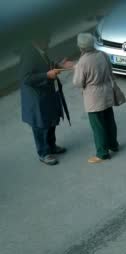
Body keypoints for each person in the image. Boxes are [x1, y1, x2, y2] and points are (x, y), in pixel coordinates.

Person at [20, 34, 74, 165]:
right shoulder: (29, 54)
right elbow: (26, 78)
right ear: (36, 40)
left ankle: (51, 146)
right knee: (40, 125)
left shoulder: (40, 50)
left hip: (48, 94)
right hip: (37, 98)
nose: (49, 42)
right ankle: (44, 153)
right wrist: (46, 75)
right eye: (46, 39)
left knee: (51, 120)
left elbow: (47, 64)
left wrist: (59, 65)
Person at [72, 33, 120, 164]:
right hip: (107, 91)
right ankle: (113, 145)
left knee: (98, 126)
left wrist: (76, 70)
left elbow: (77, 82)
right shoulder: (102, 54)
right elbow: (110, 70)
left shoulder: (83, 62)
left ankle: (102, 153)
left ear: (80, 47)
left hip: (93, 97)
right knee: (109, 120)